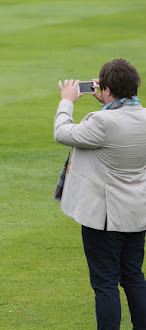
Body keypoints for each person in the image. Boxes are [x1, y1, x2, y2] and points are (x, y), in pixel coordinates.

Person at [54, 58, 146, 329]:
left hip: (104, 217)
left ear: (106, 90)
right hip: (137, 212)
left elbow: (62, 132)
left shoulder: (101, 121)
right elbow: (120, 121)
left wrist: (67, 101)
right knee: (133, 277)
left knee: (105, 283)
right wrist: (107, 104)